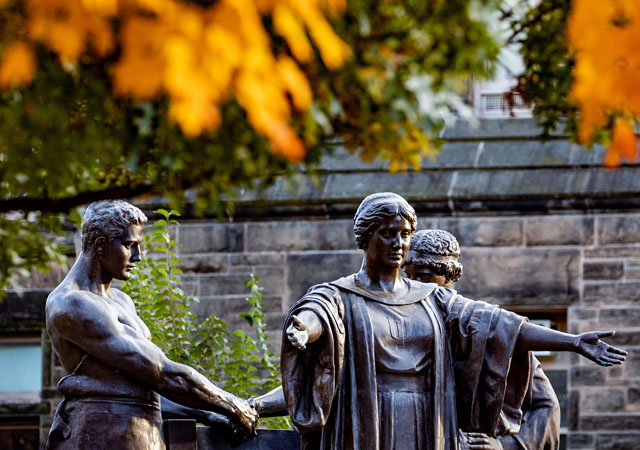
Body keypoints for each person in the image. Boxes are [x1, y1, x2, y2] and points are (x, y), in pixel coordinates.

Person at [282, 192, 625, 450]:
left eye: (404, 234)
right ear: (366, 236)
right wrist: (303, 329)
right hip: (364, 419)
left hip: (429, 423)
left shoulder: (435, 299)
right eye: (388, 233)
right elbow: (319, 315)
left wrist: (574, 342)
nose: (398, 243)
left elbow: (500, 325)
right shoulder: (340, 294)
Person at [45, 200, 258, 450]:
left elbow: (143, 385)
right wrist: (232, 404)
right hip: (102, 435)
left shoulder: (122, 301)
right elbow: (162, 372)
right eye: (129, 245)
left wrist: (206, 414)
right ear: (100, 245)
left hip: (144, 433)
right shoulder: (72, 303)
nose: (138, 256)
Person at [405, 229, 561, 450]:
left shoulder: (491, 329)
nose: (413, 286)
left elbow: (546, 406)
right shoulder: (400, 325)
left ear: (449, 276)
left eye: (423, 276)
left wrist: (507, 445)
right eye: (408, 277)